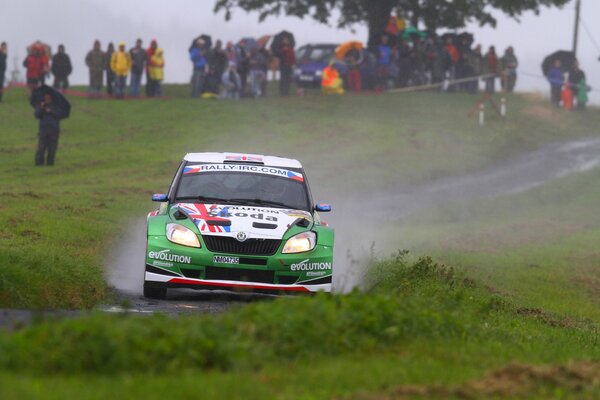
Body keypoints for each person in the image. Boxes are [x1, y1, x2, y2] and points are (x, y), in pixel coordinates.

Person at [34, 92, 62, 166]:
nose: (47, 99)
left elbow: (59, 114)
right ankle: (39, 163)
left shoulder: (56, 106)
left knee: (52, 148)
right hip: (43, 129)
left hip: (54, 130)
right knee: (41, 147)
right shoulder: (41, 105)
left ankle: (50, 162)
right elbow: (37, 115)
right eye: (46, 98)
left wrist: (51, 111)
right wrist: (42, 108)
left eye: (48, 98)